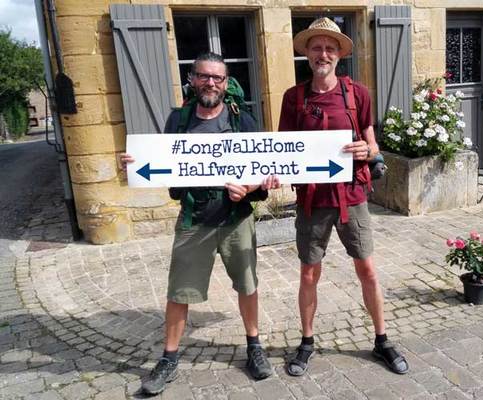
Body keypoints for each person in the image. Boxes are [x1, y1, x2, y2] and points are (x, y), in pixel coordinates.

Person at [120, 52, 280, 395]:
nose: (210, 83)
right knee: (179, 292)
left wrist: (253, 187)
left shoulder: (244, 121)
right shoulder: (178, 121)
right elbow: (165, 167)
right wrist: (135, 164)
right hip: (194, 219)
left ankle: (254, 347)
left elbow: (264, 168)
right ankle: (169, 358)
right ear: (192, 80)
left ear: (226, 84)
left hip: (236, 219)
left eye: (217, 78)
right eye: (203, 76)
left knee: (247, 285)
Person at [278, 18, 409, 376]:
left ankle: (382, 340)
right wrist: (274, 173)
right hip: (311, 200)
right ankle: (306, 342)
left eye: (330, 48)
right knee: (308, 274)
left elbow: (371, 140)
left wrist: (368, 151)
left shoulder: (357, 94)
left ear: (339, 55)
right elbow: (284, 149)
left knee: (367, 269)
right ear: (307, 53)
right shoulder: (294, 98)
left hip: (352, 195)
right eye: (317, 47)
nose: (323, 54)